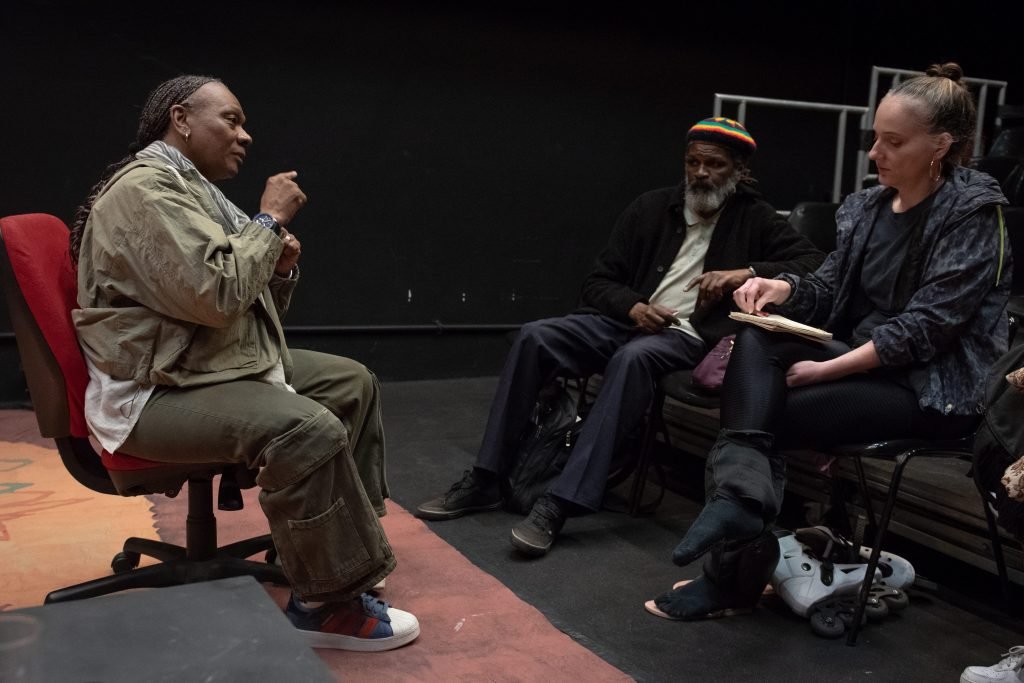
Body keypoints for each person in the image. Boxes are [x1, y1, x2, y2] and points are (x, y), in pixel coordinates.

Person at [69, 74, 420, 651]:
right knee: (306, 425)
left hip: (203, 365)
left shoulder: (193, 191)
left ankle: (320, 553)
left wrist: (275, 268)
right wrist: (267, 223)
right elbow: (216, 294)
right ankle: (325, 605)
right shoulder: (146, 191)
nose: (245, 136)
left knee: (349, 383)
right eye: (231, 120)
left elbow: (245, 305)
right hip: (153, 391)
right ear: (180, 119)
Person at [650, 63, 1012, 620]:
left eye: (893, 142)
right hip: (861, 364)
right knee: (755, 337)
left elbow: (929, 328)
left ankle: (730, 570)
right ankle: (740, 514)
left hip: (929, 389)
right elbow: (826, 286)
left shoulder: (974, 215)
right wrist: (783, 286)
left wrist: (827, 372)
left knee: (760, 416)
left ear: (941, 144)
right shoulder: (868, 207)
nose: (875, 153)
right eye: (874, 139)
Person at [416, 117, 826, 557]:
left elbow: (816, 262)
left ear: (740, 171)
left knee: (635, 359)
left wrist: (746, 272)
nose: (701, 173)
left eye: (715, 164)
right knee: (536, 336)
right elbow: (597, 282)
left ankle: (560, 501)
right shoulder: (649, 208)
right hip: (627, 320)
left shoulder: (755, 218)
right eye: (693, 162)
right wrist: (632, 306)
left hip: (688, 336)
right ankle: (487, 476)